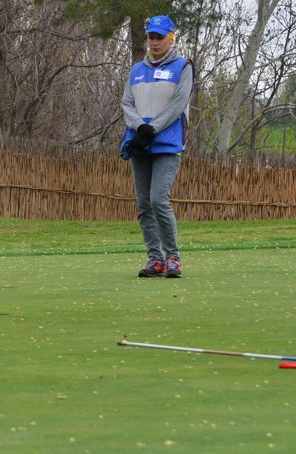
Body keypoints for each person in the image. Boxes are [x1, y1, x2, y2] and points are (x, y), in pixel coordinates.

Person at [120, 15, 193, 278]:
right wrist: (140, 127)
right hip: (139, 141)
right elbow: (127, 103)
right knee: (143, 204)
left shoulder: (183, 66)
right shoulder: (137, 69)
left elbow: (178, 103)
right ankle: (155, 259)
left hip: (167, 142)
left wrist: (153, 128)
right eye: (151, 37)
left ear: (171, 38)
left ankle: (173, 257)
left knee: (157, 199)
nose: (154, 42)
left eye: (160, 37)